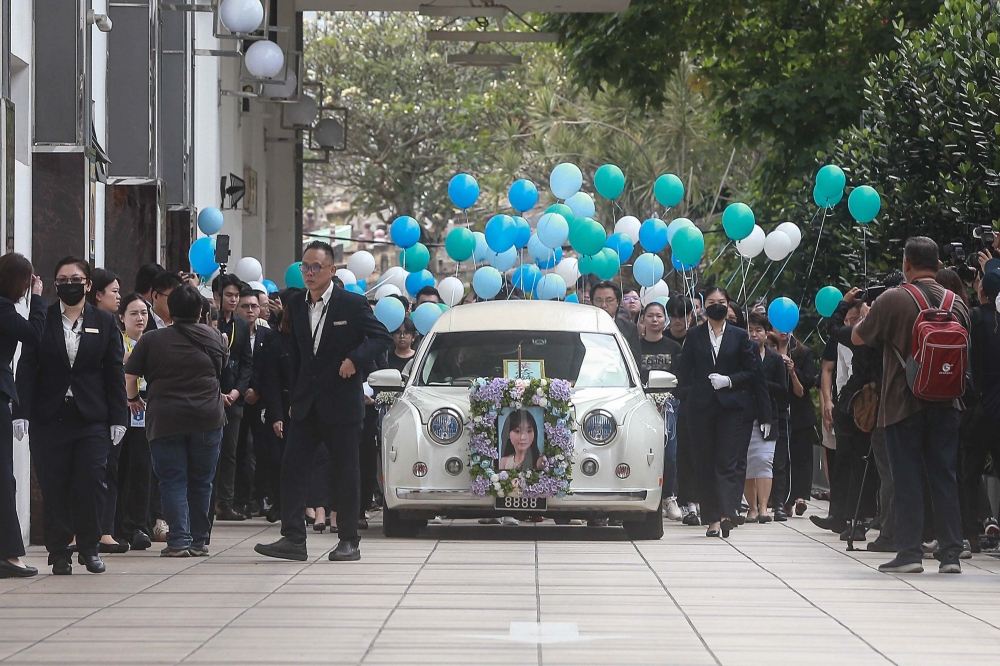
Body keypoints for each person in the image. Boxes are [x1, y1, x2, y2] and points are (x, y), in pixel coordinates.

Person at [255, 240, 392, 563]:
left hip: (341, 404)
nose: (310, 273)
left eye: (317, 267)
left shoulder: (351, 304)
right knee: (292, 468)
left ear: (332, 270)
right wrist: (294, 396)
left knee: (345, 472)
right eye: (305, 266)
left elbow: (381, 337)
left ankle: (348, 540)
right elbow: (299, 356)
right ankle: (292, 538)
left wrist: (355, 360)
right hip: (305, 404)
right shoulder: (297, 303)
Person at [853, 237, 970, 574]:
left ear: (906, 263)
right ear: (936, 263)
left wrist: (867, 315)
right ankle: (950, 555)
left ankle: (909, 554)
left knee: (906, 479)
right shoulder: (957, 303)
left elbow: (860, 337)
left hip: (902, 403)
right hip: (949, 400)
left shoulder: (894, 298)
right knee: (944, 476)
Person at [14, 257, 128, 575]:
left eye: (75, 278)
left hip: (91, 417)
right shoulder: (45, 320)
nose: (69, 284)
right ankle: (59, 551)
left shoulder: (104, 323)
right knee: (54, 485)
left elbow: (114, 373)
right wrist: (20, 412)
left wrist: (119, 417)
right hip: (50, 417)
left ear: (88, 284)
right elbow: (26, 369)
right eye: (62, 280)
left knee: (91, 482)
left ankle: (89, 548)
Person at [124, 285, 228, 557]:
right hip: (207, 417)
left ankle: (179, 541)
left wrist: (133, 398)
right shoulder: (215, 337)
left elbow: (130, 375)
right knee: (202, 481)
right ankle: (198, 540)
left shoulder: (151, 340)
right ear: (201, 311)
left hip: (165, 418)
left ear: (171, 310)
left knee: (172, 481)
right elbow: (222, 370)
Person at [674, 286, 770, 538]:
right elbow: (684, 372)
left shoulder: (740, 336)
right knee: (704, 463)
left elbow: (753, 373)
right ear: (704, 306)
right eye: (711, 301)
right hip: (701, 408)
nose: (716, 305)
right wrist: (693, 392)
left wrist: (729, 381)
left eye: (721, 301)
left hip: (731, 408)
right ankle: (712, 519)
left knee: (726, 462)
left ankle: (728, 513)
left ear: (728, 306)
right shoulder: (694, 335)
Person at [0, 254, 45, 579]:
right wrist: (40, 301)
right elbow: (35, 335)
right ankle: (9, 554)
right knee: (5, 478)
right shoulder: (4, 310)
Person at [89, 270, 130, 555]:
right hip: (94, 410)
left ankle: (105, 530)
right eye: (113, 291)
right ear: (97, 294)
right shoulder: (95, 325)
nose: (118, 296)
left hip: (112, 410)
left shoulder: (111, 325)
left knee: (110, 471)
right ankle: (96, 530)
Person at [211, 274, 253, 522]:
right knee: (209, 450)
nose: (233, 300)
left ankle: (225, 502)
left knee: (230, 451)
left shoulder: (241, 324)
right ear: (217, 296)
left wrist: (237, 391)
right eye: (229, 295)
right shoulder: (209, 322)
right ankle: (208, 500)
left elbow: (246, 362)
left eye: (236, 296)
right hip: (210, 395)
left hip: (233, 397)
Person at [114, 294, 153, 550]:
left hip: (148, 410)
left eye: (143, 313)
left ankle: (140, 525)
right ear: (122, 317)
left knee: (143, 470)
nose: (140, 318)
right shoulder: (117, 342)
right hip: (121, 410)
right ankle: (117, 526)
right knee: (119, 468)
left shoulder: (154, 342)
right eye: (134, 313)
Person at [638, 301, 683, 520]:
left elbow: (681, 379)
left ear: (665, 320)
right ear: (643, 319)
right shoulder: (634, 347)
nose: (655, 320)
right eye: (650, 316)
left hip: (669, 408)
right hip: (641, 406)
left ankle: (669, 497)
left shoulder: (674, 348)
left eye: (659, 316)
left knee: (670, 454)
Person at [770, 328, 817, 519]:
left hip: (800, 411)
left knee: (802, 456)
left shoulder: (802, 352)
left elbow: (809, 381)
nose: (782, 331)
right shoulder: (767, 351)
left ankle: (800, 496)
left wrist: (791, 368)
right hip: (778, 411)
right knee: (782, 459)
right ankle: (783, 500)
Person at [745, 312, 787, 523]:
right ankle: (751, 507)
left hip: (769, 415)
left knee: (764, 461)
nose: (754, 334)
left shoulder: (776, 360)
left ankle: (764, 508)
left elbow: (783, 389)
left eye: (758, 330)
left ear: (766, 333)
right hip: (745, 415)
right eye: (750, 330)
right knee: (747, 463)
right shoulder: (741, 355)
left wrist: (760, 383)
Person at [234, 287, 273, 518]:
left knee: (262, 450)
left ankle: (260, 497)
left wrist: (257, 390)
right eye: (245, 306)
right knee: (238, 451)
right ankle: (240, 499)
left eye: (254, 306)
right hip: (236, 398)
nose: (250, 310)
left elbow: (268, 367)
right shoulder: (233, 333)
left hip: (260, 400)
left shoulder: (266, 335)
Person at [590, 281, 644, 379]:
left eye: (609, 300)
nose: (603, 305)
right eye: (598, 300)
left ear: (618, 302)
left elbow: (635, 364)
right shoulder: (583, 326)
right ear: (592, 302)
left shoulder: (629, 328)